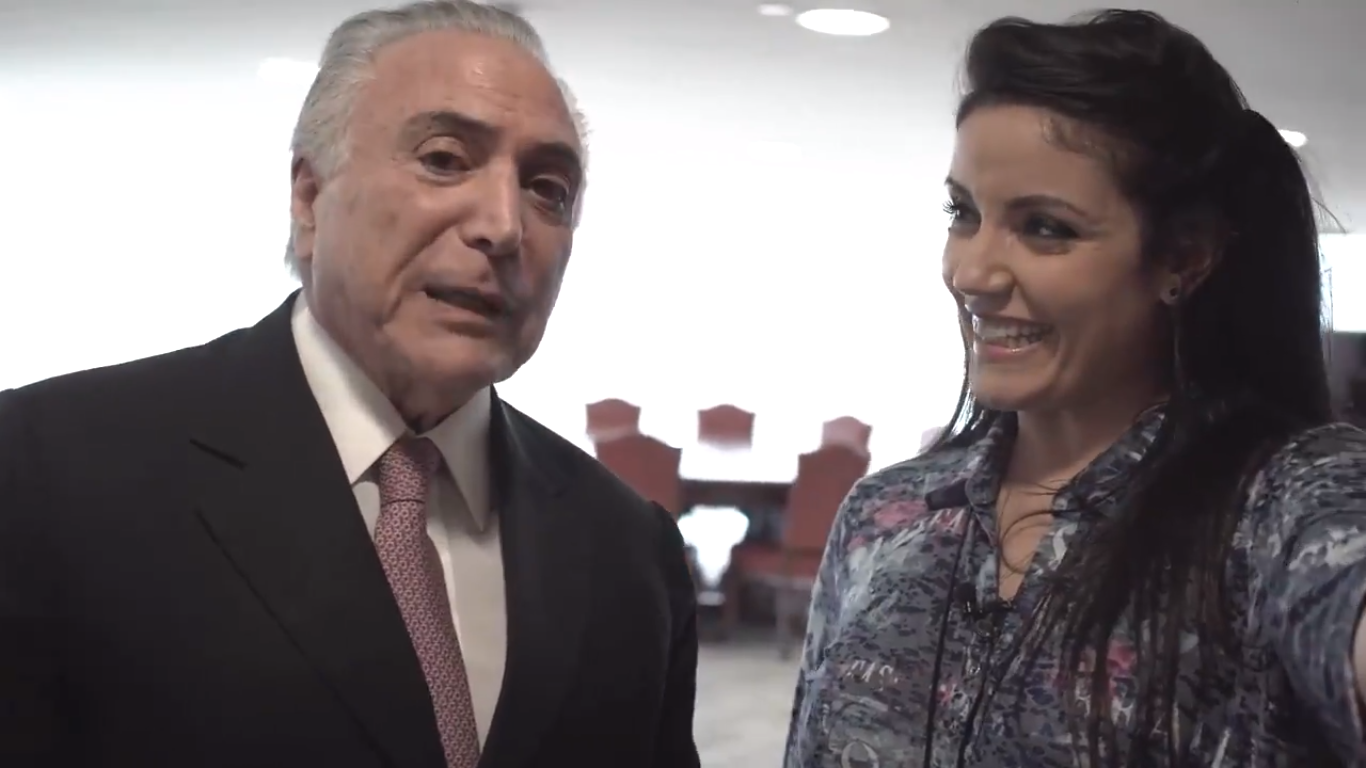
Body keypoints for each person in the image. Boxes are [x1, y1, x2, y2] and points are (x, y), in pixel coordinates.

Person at [0, 2, 700, 767]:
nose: (504, 226)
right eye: (444, 159)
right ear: (309, 199)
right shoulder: (43, 473)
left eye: (548, 189)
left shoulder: (632, 553)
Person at [785, 9, 1366, 768]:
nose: (971, 273)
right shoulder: (885, 515)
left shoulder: (1277, 502)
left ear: (1182, 258)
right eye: (964, 213)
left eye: (1045, 228)